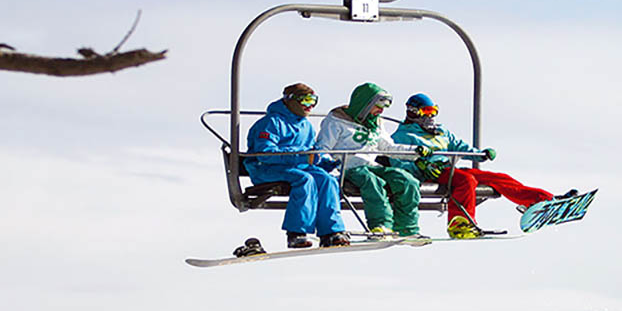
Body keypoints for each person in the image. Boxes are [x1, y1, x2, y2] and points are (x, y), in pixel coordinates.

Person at [380, 93, 576, 239]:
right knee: (466, 180)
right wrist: (420, 165)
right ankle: (459, 224)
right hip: (432, 173)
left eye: (434, 111)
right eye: (427, 112)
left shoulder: (441, 133)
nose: (431, 117)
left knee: (497, 178)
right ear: (414, 112)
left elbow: (460, 147)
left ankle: (542, 200)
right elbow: (399, 161)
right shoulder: (402, 135)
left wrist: (481, 154)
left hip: (449, 170)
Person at [315, 83, 428, 238]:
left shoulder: (376, 123)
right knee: (372, 182)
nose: (380, 111)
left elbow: (388, 148)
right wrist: (327, 163)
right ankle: (380, 225)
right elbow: (323, 147)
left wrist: (415, 151)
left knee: (406, 180)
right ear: (365, 104)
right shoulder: (337, 121)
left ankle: (407, 228)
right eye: (378, 106)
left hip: (369, 165)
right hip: (347, 166)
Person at [245, 83, 349, 248]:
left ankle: (331, 232)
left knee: (327, 180)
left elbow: (309, 152)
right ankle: (296, 233)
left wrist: (326, 162)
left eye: (314, 101)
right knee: (305, 180)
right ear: (291, 100)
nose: (310, 106)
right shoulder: (271, 122)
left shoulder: (305, 125)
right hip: (265, 169)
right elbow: (265, 153)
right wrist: (301, 156)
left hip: (295, 167)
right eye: (305, 101)